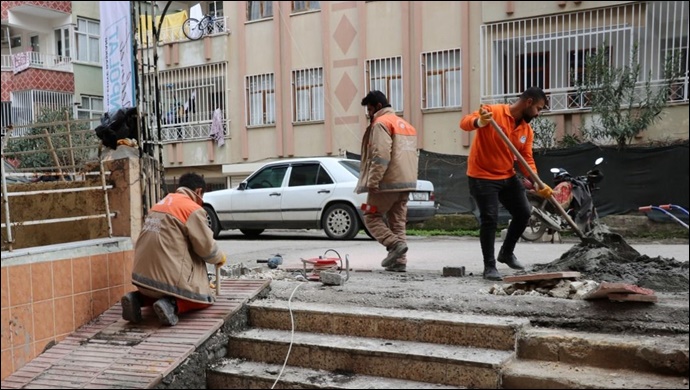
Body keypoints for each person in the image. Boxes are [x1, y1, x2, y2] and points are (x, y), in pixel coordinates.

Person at [459, 87, 553, 281]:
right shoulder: (493, 112)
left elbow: (526, 159)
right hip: (482, 176)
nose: (538, 113)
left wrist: (537, 182)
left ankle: (506, 253)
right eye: (538, 108)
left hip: (507, 175)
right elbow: (464, 123)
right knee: (490, 218)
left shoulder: (525, 130)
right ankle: (490, 266)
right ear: (528, 103)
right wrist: (480, 121)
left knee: (524, 213)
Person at [121, 172, 226, 326]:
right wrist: (219, 257)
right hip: (166, 281)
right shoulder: (192, 209)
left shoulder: (160, 203)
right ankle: (171, 305)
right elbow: (206, 249)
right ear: (198, 191)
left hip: (141, 280)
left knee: (158, 290)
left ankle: (136, 298)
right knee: (204, 298)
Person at [356, 91, 419, 273]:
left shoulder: (381, 123)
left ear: (377, 106)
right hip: (406, 182)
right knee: (397, 221)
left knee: (370, 215)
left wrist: (373, 181)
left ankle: (394, 244)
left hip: (387, 182)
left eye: (369, 109)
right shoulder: (406, 125)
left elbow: (380, 155)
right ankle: (399, 261)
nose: (368, 114)